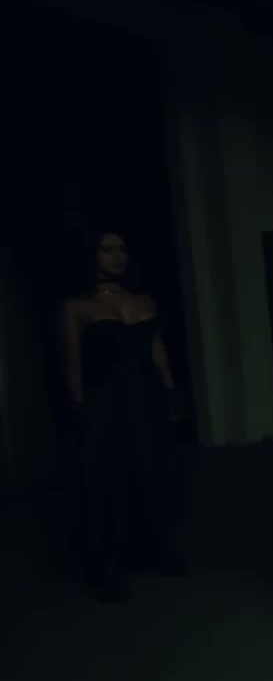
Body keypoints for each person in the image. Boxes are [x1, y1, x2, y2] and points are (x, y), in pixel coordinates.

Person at [59, 230, 184, 603]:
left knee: (152, 470)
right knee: (105, 480)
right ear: (92, 256)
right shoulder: (77, 307)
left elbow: (158, 354)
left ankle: (155, 547)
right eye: (106, 250)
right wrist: (80, 407)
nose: (117, 256)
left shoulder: (143, 301)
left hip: (146, 399)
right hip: (106, 402)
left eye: (122, 250)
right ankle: (105, 564)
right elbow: (73, 364)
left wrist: (171, 393)